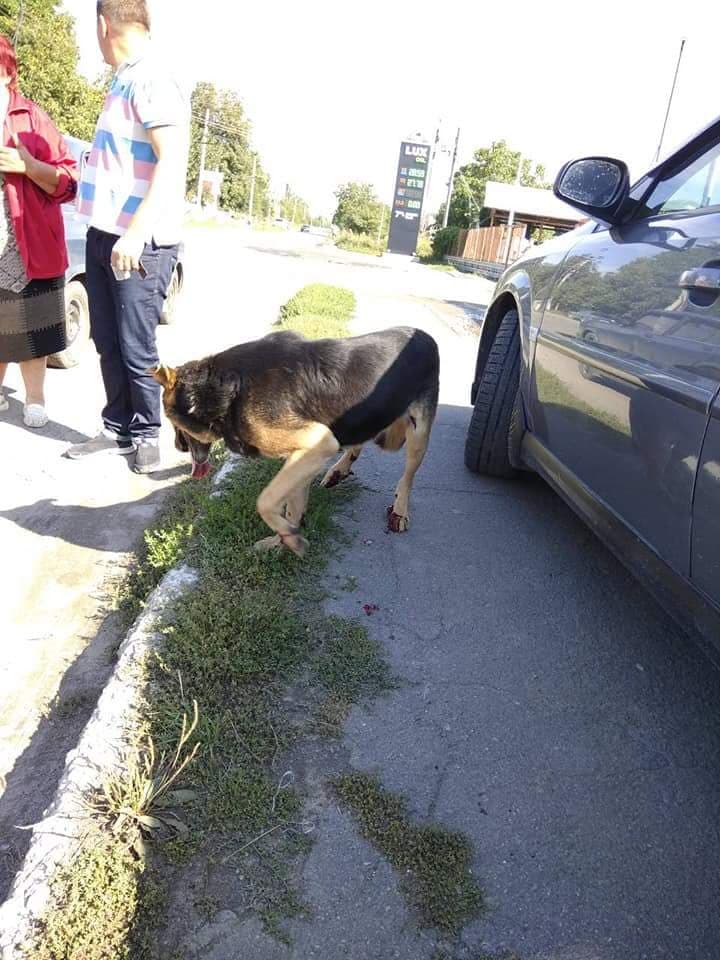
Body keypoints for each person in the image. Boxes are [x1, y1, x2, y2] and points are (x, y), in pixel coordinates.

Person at [67, 0, 190, 473]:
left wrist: (136, 233)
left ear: (103, 25)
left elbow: (172, 160)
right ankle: (116, 427)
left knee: (137, 347)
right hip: (105, 234)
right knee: (108, 341)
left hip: (139, 242)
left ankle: (147, 432)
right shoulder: (122, 79)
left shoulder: (152, 77)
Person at [0, 35, 78, 428]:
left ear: (6, 72)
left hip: (29, 239)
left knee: (34, 324)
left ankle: (35, 397)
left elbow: (69, 181)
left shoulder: (31, 118)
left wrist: (27, 166)